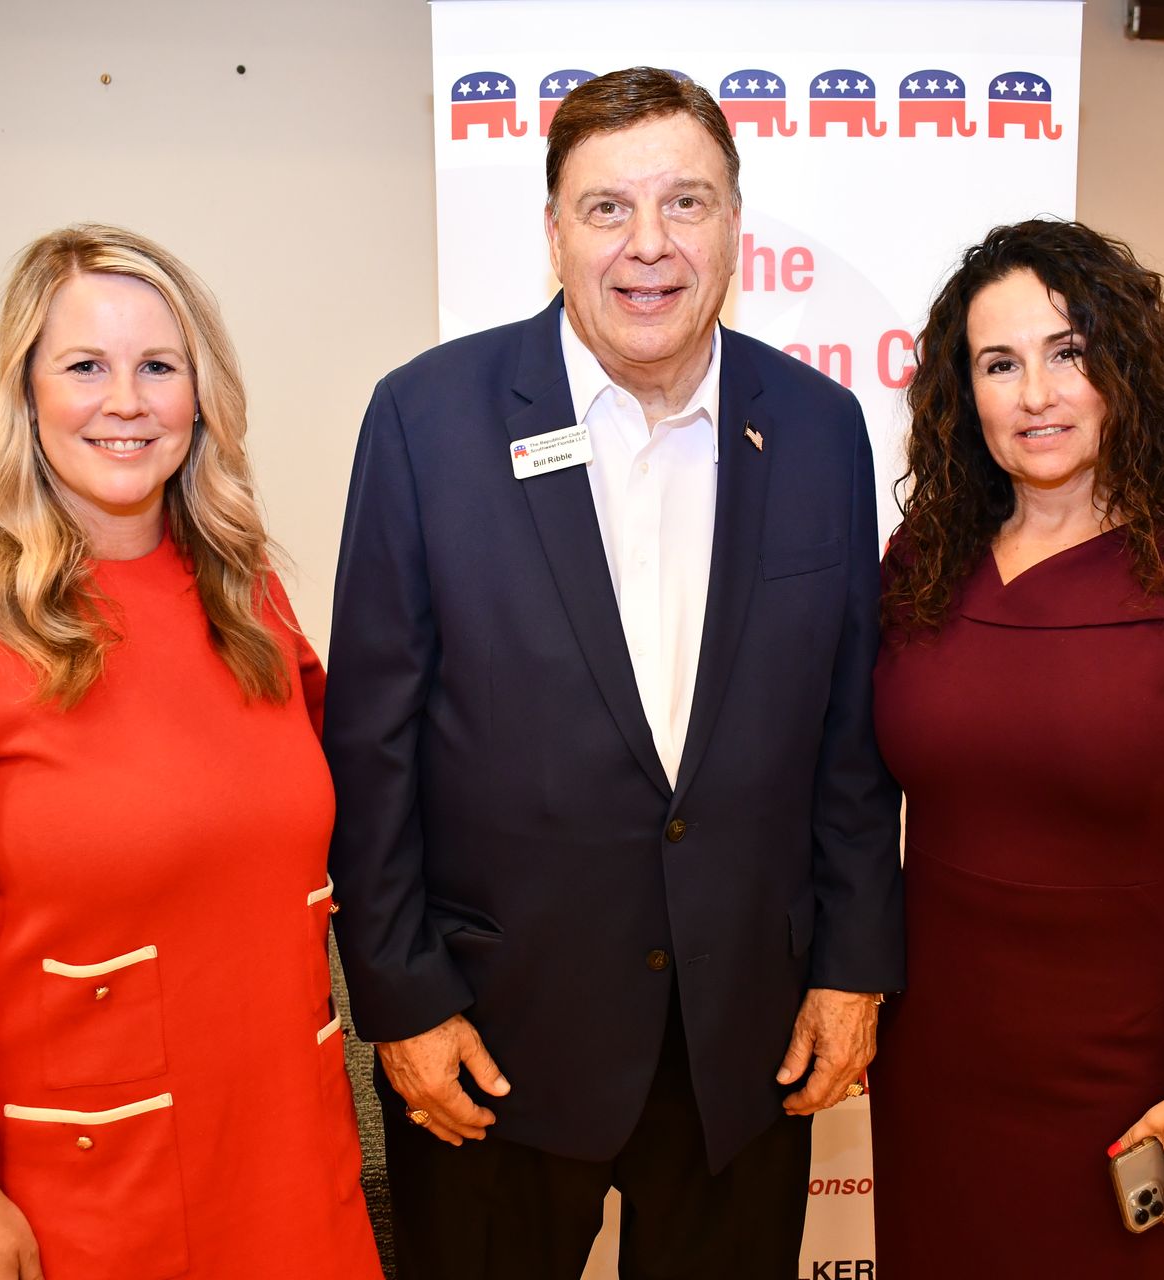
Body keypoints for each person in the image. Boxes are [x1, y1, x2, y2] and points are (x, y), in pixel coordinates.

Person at [323, 67, 904, 1280]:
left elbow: (848, 739)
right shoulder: (427, 421)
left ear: (734, 224)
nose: (650, 244)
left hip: (744, 1044)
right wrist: (404, 999)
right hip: (495, 1040)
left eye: (686, 202)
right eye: (607, 208)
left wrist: (852, 965)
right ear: (553, 232)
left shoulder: (819, 427)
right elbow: (371, 746)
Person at [0, 225, 382, 1280]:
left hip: (290, 1145)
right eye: (86, 366)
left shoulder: (250, 598)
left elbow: (355, 808)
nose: (127, 401)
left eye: (159, 367)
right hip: (95, 1186)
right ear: (27, 393)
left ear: (202, 396)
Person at [868, 219, 1164, 1278]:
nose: (1036, 394)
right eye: (999, 364)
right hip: (935, 1059)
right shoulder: (920, 562)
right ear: (963, 392)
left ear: (1122, 367)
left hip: (1127, 1074)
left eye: (1067, 353)